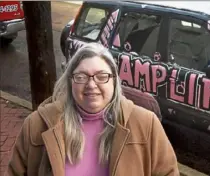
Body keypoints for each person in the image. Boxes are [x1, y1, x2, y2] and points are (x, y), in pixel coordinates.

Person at [6, 43, 179, 176]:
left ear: (114, 81)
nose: (91, 85)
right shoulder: (36, 125)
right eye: (81, 77)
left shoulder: (146, 124)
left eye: (101, 76)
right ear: (70, 81)